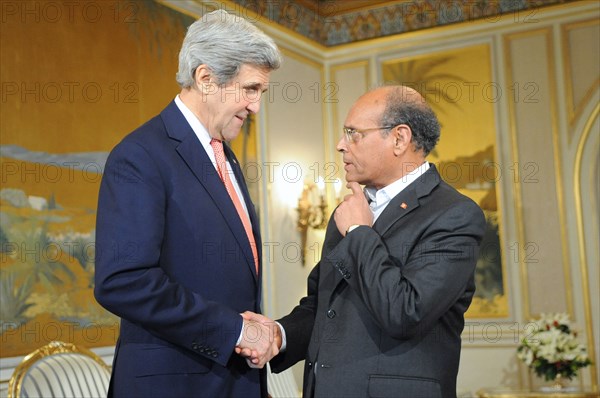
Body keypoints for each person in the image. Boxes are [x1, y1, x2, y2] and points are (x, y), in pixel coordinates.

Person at [94, 10, 282, 398]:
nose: (256, 106)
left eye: (260, 92)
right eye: (250, 89)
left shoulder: (225, 157)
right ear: (206, 77)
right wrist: (235, 330)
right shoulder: (140, 155)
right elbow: (123, 281)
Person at [263, 85, 486, 398]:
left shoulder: (454, 215)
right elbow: (323, 306)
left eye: (354, 133)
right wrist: (279, 334)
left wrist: (358, 232)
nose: (341, 145)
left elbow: (406, 311)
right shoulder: (350, 211)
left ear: (399, 138)